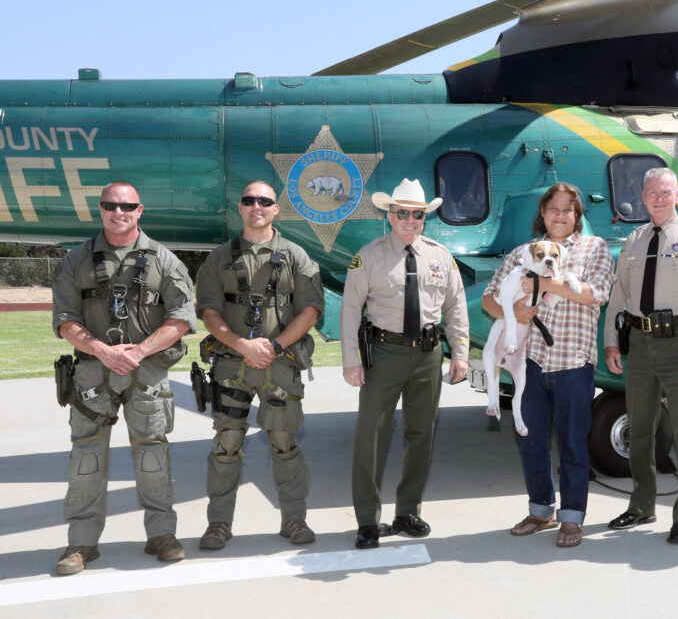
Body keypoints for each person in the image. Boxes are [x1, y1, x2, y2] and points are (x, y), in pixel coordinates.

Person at [50, 181, 196, 575]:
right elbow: (65, 319)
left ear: (139, 209)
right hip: (94, 371)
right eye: (111, 205)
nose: (119, 212)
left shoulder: (165, 260)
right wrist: (104, 351)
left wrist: (140, 351)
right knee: (86, 454)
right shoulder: (76, 260)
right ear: (100, 209)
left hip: (146, 369)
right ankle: (81, 543)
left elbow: (182, 318)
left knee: (153, 453)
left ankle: (162, 535)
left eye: (127, 206)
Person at [481, 184, 614, 548]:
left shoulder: (595, 248)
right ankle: (541, 510)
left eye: (568, 210)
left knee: (574, 443)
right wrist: (515, 311)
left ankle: (572, 519)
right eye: (553, 208)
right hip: (530, 361)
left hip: (574, 361)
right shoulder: (521, 253)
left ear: (577, 216)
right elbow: (489, 299)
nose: (560, 215)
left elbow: (595, 293)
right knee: (531, 440)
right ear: (543, 213)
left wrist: (543, 281)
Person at [194, 181, 324, 551]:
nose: (257, 207)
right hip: (232, 365)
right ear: (240, 207)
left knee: (284, 442)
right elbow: (209, 311)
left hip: (280, 364)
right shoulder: (219, 258)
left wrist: (276, 345)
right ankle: (218, 524)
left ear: (275, 208)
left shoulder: (296, 255)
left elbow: (310, 310)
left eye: (264, 201)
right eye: (249, 200)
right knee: (226, 442)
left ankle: (294, 519)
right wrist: (241, 344)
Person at [341, 178, 469, 549]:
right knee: (371, 436)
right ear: (389, 215)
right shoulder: (369, 255)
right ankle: (367, 520)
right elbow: (350, 310)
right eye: (403, 213)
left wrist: (459, 352)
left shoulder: (440, 256)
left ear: (425, 217)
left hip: (429, 354)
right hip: (384, 354)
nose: (410, 220)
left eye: (417, 214)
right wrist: (352, 361)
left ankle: (407, 512)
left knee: (421, 435)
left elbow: (455, 306)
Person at [603, 167, 678, 544]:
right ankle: (641, 505)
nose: (657, 197)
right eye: (651, 191)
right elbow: (618, 295)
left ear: (677, 196)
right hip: (639, 344)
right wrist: (610, 341)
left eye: (665, 191)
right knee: (639, 430)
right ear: (642, 196)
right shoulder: (634, 240)